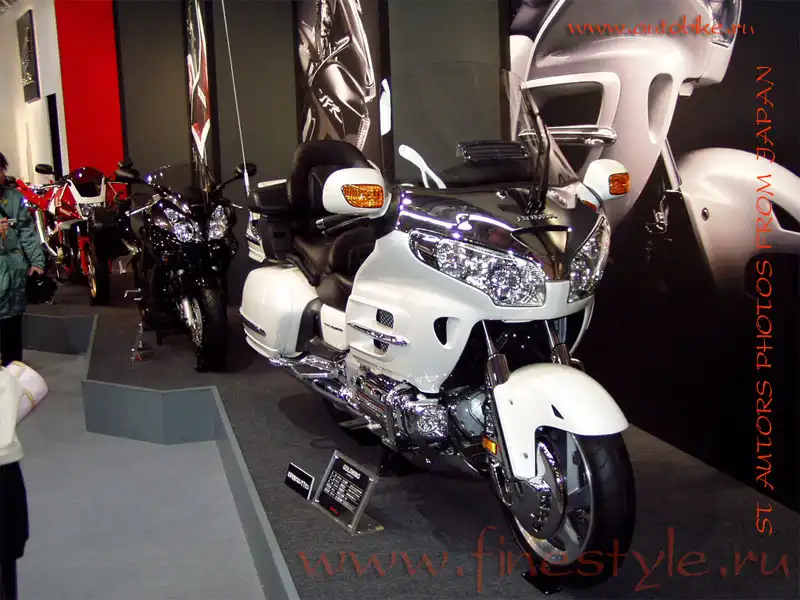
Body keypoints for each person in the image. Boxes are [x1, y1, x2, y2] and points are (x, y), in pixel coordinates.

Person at [0, 153, 46, 366]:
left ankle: (15, 373)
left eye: (1, 169)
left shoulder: (14, 198)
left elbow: (27, 232)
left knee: (13, 329)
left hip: (15, 275)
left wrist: (36, 262)